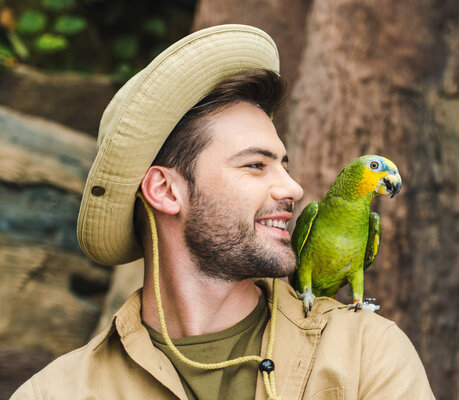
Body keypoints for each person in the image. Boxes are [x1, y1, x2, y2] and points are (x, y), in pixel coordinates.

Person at [11, 24, 435, 400]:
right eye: (255, 164)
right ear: (165, 191)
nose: (293, 188)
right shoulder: (56, 392)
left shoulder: (366, 355)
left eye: (283, 164)